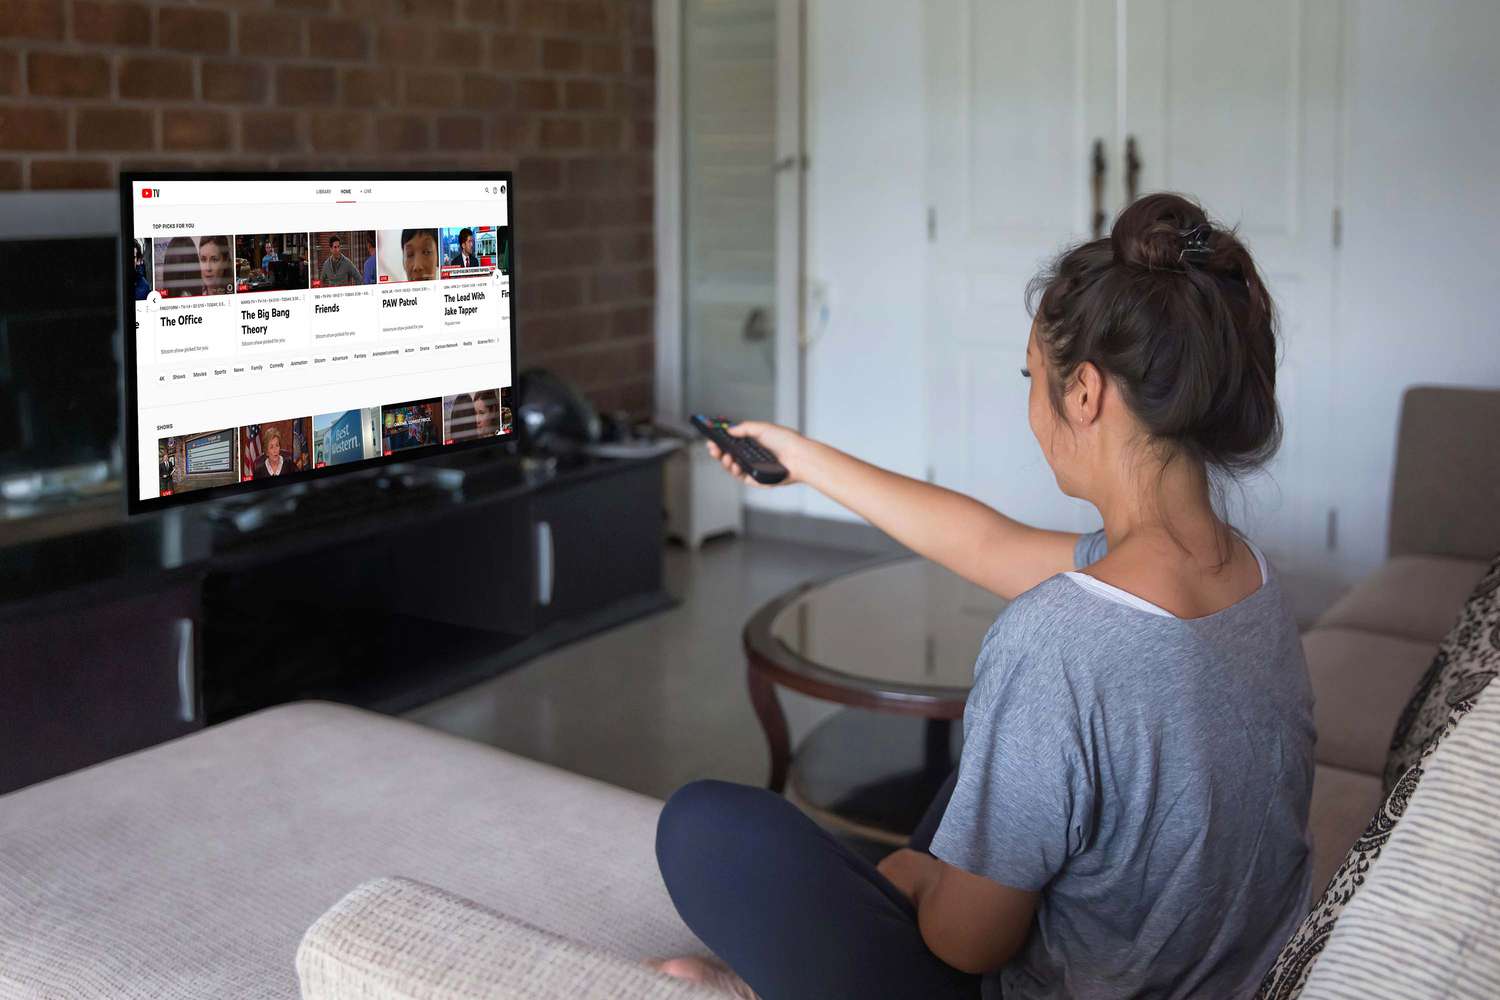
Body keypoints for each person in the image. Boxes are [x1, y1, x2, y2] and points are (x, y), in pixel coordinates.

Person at [653, 194, 1314, 1000]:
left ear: (1085, 395)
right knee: (973, 792)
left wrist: (918, 879)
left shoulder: (1055, 642)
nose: (1032, 407)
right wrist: (802, 459)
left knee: (706, 829)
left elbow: (966, 945)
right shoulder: (1249, 576)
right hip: (1214, 968)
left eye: (1033, 378)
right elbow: (986, 543)